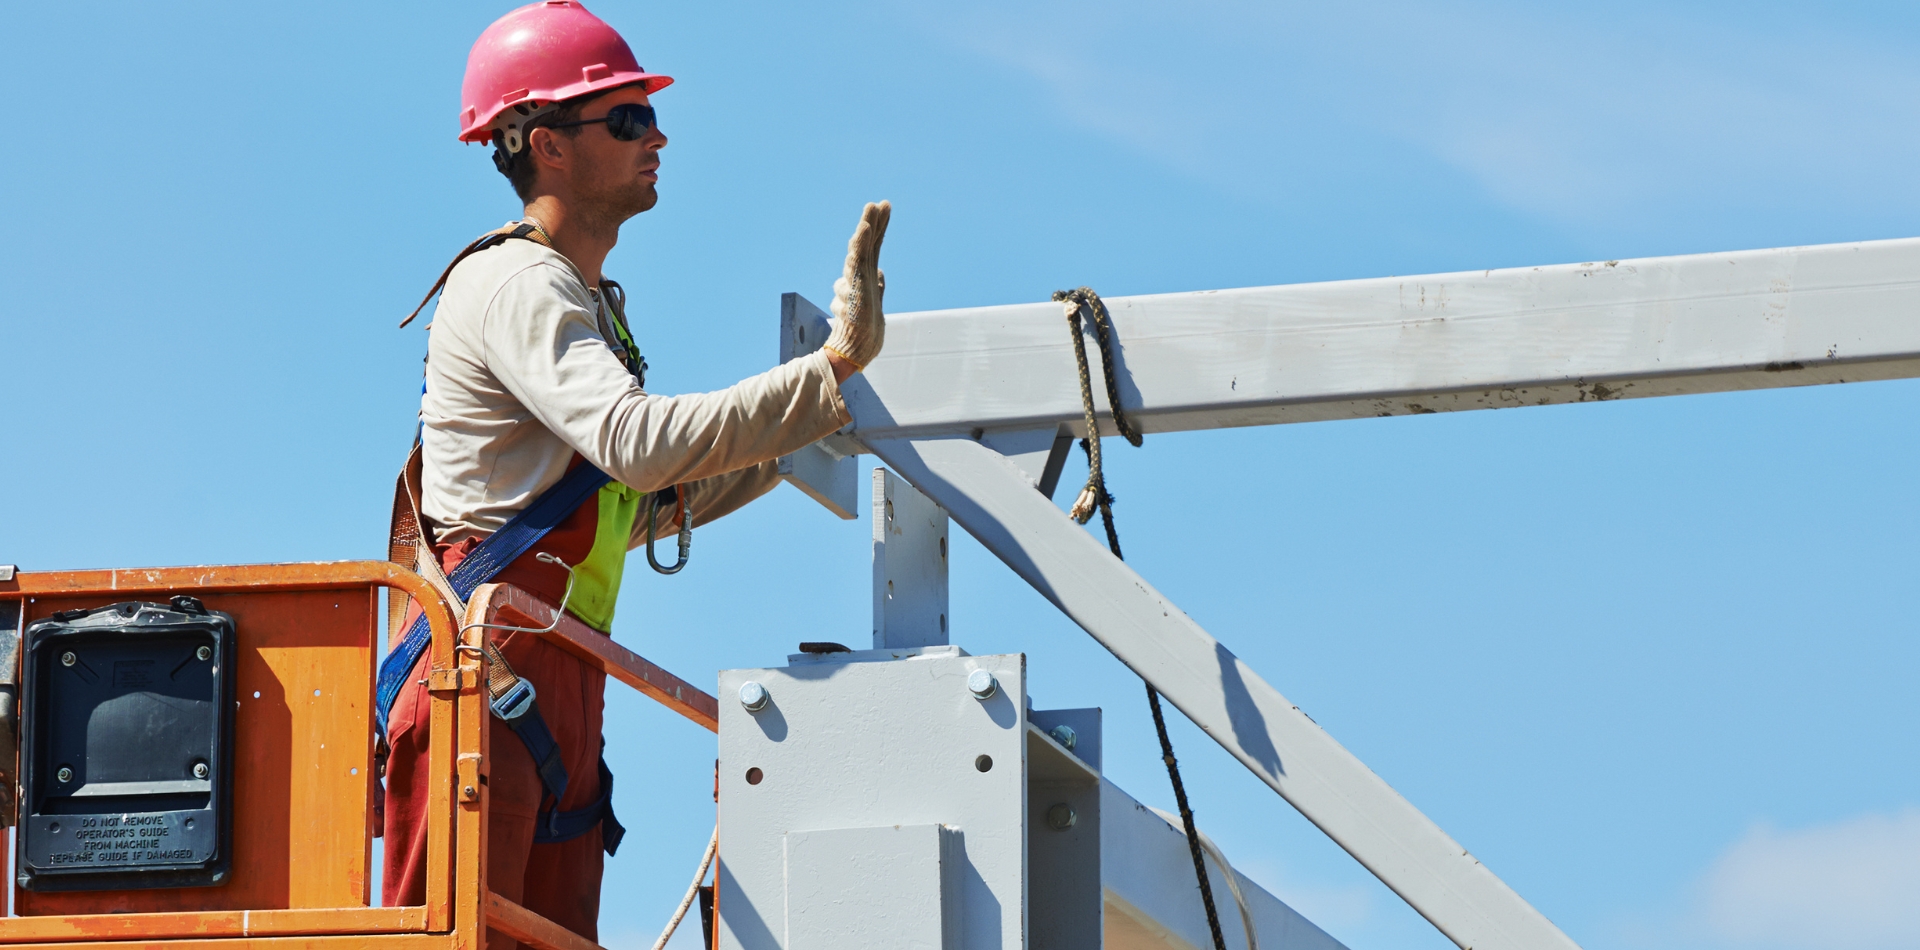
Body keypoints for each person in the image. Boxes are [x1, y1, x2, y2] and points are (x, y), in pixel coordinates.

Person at [375, 2, 890, 944]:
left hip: (551, 664)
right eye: (625, 118)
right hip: (487, 665)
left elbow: (629, 502)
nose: (656, 135)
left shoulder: (584, 299)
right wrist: (825, 378)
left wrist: (820, 416)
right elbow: (639, 444)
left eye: (648, 113)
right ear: (546, 145)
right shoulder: (516, 282)